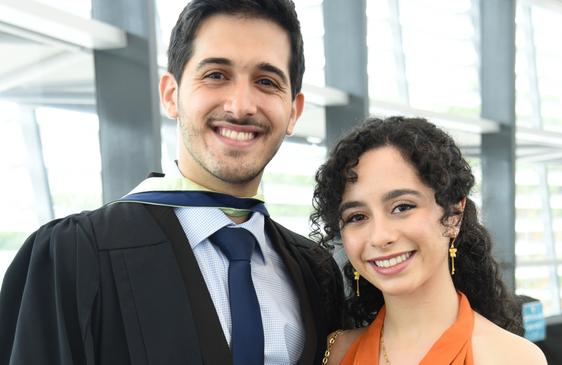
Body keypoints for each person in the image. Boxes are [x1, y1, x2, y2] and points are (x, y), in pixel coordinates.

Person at [0, 1, 345, 364]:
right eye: (216, 75)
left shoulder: (315, 273)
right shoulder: (75, 257)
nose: (241, 105)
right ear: (170, 94)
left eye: (266, 82)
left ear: (294, 111)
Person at [311, 116, 547, 364]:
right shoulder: (336, 351)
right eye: (357, 216)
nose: (380, 237)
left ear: (453, 214)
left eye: (402, 207)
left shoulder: (514, 358)